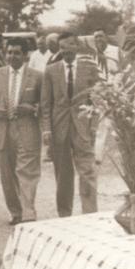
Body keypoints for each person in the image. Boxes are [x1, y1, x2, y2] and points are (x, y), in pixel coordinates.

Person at [41, 31, 100, 217]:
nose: (66, 51)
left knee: (87, 171)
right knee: (63, 174)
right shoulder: (51, 70)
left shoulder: (90, 68)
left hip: (83, 128)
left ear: (77, 46)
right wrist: (46, 129)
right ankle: (64, 214)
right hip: (59, 129)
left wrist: (93, 125)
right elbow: (46, 104)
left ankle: (90, 214)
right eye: (62, 48)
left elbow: (97, 99)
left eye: (69, 46)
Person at [0, 38, 42, 224]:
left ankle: (28, 212)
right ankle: (16, 212)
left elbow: (45, 103)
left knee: (27, 172)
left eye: (17, 53)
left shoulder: (37, 76)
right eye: (9, 52)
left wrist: (32, 109)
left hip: (27, 129)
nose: (12, 56)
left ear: (25, 55)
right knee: (7, 174)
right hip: (3, 129)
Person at [92, 30, 121, 164]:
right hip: (100, 92)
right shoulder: (92, 54)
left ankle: (124, 152)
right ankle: (98, 156)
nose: (98, 39)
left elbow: (123, 68)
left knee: (118, 121)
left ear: (106, 38)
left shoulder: (115, 51)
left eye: (101, 36)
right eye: (96, 37)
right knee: (102, 124)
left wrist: (116, 84)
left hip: (117, 91)